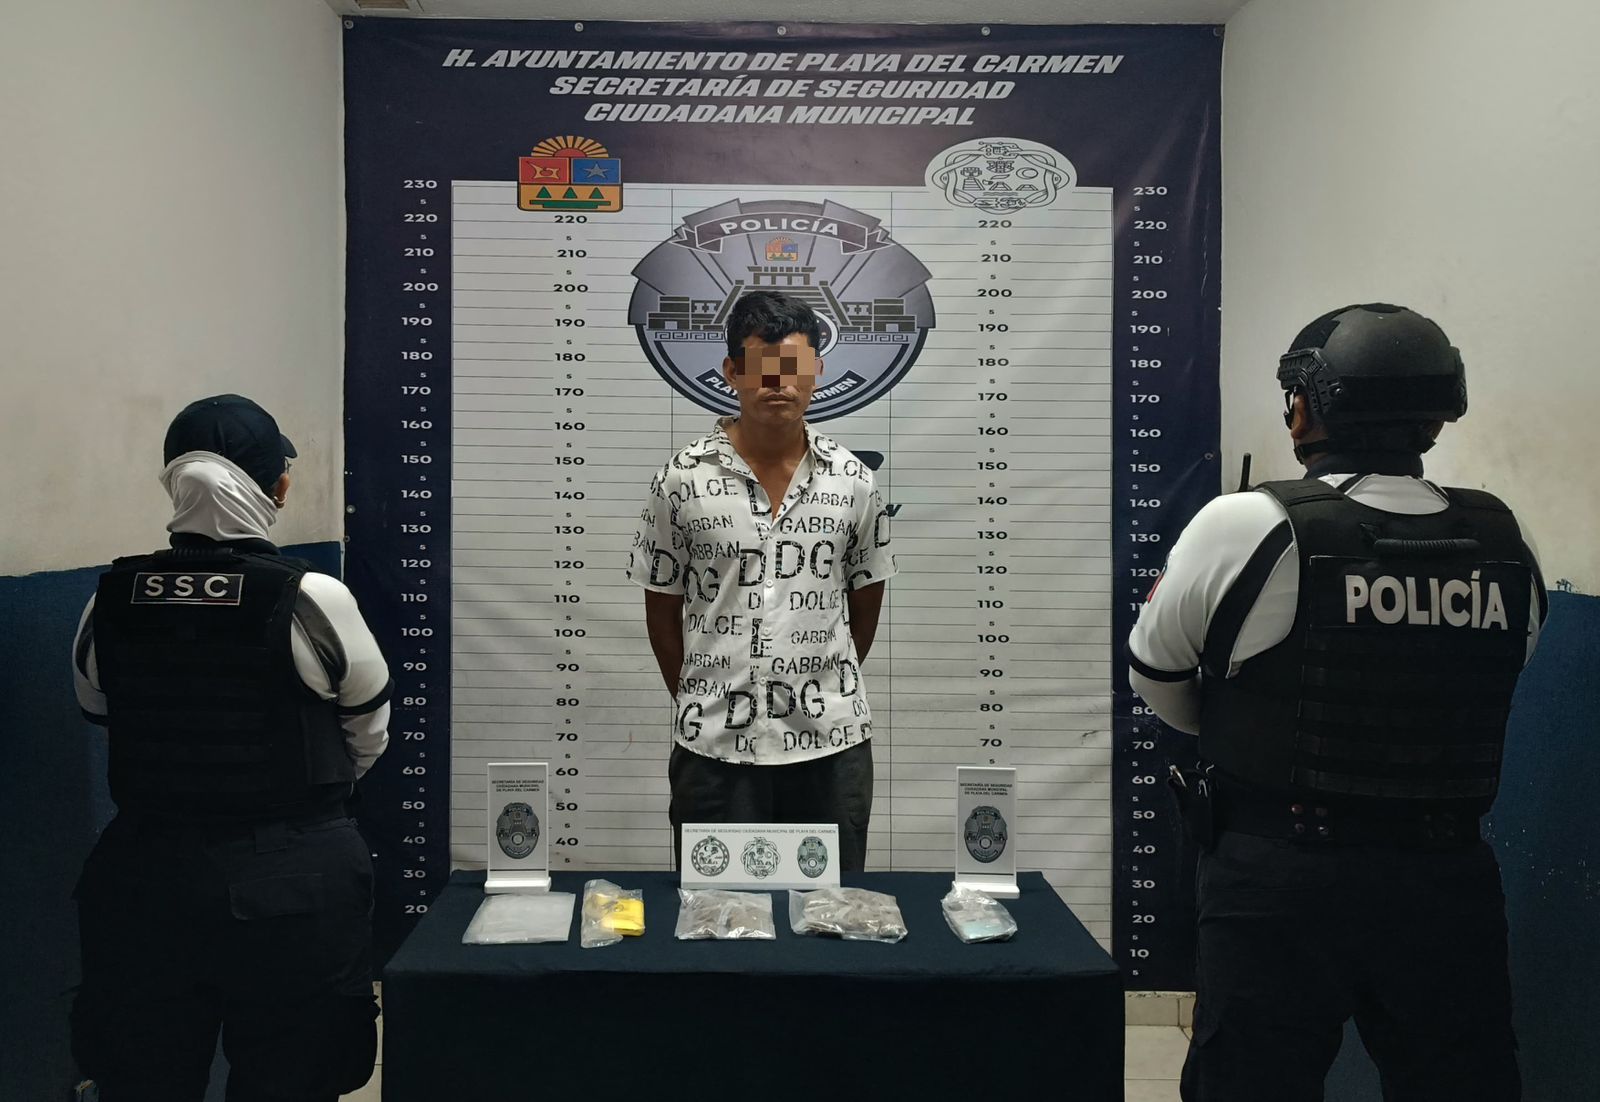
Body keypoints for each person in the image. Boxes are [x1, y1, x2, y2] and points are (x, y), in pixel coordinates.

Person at [1127, 305, 1547, 1101]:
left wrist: (1244, 730)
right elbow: (1498, 674)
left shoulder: (1249, 523)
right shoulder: (1502, 535)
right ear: (1437, 414)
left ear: (1306, 407)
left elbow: (1156, 674)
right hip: (1446, 878)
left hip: (1276, 876)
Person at [70, 394, 393, 1102]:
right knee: (292, 1079)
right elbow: (367, 737)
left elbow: (100, 713)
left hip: (143, 882)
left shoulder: (110, 598)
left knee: (142, 1081)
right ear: (278, 487)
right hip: (292, 883)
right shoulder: (312, 598)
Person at [628, 290, 897, 871]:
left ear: (816, 370)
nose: (779, 383)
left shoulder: (853, 481)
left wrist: (817, 682)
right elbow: (661, 608)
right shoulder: (681, 480)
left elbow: (866, 600)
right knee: (717, 912)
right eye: (761, 367)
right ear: (731, 372)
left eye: (794, 366)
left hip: (829, 743)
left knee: (830, 910)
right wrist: (703, 695)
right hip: (714, 746)